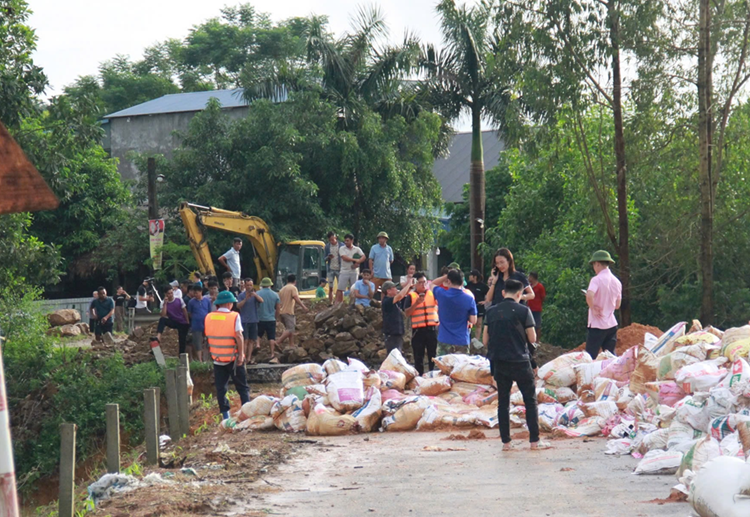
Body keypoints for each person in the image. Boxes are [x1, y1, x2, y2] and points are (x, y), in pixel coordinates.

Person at [483, 279, 549, 451]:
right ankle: (534, 441)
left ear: (503, 293)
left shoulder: (490, 312)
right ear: (520, 294)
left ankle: (506, 443)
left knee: (503, 402)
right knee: (529, 400)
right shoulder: (524, 311)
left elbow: (485, 340)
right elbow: (533, 338)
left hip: (499, 362)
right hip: (520, 361)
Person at [205, 290, 250, 420]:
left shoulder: (209, 317)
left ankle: (225, 416)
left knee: (221, 389)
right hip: (233, 359)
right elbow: (239, 336)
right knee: (242, 387)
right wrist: (241, 354)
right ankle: (246, 414)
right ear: (229, 303)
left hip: (217, 358)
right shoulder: (234, 316)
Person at [431, 269, 477, 356]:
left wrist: (446, 275)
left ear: (448, 281)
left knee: (443, 368)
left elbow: (432, 284)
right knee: (460, 368)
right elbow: (473, 320)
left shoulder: (441, 294)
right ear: (462, 282)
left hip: (444, 339)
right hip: (462, 340)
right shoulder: (469, 298)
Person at [586, 250, 622, 359]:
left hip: (597, 324)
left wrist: (593, 307)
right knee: (610, 356)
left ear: (597, 263)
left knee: (590, 356)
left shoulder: (596, 280)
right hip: (611, 324)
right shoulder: (617, 282)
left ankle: (588, 376)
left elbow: (589, 295)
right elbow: (617, 305)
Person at [404, 272, 439, 375]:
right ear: (415, 284)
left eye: (424, 282)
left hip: (432, 329)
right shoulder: (410, 296)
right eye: (420, 283)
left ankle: (433, 376)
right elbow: (407, 313)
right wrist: (416, 303)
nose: (423, 285)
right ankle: (419, 378)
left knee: (433, 356)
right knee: (418, 356)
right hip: (418, 331)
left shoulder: (433, 294)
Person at [156, 285, 190, 356]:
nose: (170, 295)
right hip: (173, 321)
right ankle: (158, 336)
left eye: (171, 293)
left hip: (182, 322)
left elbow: (184, 310)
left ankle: (181, 356)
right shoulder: (163, 303)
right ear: (165, 294)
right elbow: (163, 315)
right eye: (169, 293)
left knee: (182, 340)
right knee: (162, 320)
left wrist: (187, 321)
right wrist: (165, 304)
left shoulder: (179, 299)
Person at [277, 274, 309, 350]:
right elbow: (296, 298)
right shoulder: (293, 288)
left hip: (282, 311)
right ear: (295, 281)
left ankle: (291, 344)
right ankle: (277, 342)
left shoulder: (282, 289)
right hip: (288, 312)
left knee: (289, 329)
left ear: (287, 280)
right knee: (291, 329)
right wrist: (303, 306)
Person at [380, 280, 413, 352]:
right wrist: (409, 283)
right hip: (391, 334)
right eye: (394, 287)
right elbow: (400, 295)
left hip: (397, 333)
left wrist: (409, 287)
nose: (396, 289)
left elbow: (403, 295)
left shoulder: (395, 301)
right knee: (393, 355)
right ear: (388, 291)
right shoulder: (387, 301)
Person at [237, 278, 264, 365]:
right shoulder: (241, 295)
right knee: (245, 340)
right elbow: (238, 306)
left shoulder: (255, 295)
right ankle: (243, 357)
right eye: (247, 285)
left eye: (250, 285)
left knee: (252, 340)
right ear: (244, 285)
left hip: (254, 320)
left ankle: (249, 358)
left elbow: (261, 301)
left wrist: (255, 295)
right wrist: (246, 299)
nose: (249, 287)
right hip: (244, 321)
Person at [256, 277, 281, 363]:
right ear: (270, 285)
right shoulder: (275, 295)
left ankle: (257, 344)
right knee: (271, 337)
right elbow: (278, 308)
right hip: (271, 318)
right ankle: (272, 353)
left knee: (258, 334)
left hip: (260, 318)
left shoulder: (257, 293)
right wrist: (275, 317)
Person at [187, 283, 212, 362]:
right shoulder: (191, 302)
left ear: (201, 292)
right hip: (196, 325)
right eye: (194, 293)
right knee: (198, 343)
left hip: (206, 325)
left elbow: (209, 311)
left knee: (207, 343)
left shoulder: (207, 301)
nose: (195, 294)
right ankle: (200, 360)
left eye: (196, 292)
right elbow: (189, 313)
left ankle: (206, 359)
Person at [338, 234, 366, 300]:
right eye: (345, 241)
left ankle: (352, 303)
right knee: (340, 289)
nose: (346, 242)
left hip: (354, 271)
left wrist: (358, 262)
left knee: (354, 289)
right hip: (344, 271)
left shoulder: (357, 249)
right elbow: (344, 257)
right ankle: (339, 304)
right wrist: (355, 260)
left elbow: (363, 256)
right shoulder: (342, 248)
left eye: (347, 240)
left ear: (352, 240)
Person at [467, 269, 489, 333]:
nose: (469, 277)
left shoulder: (482, 286)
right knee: (469, 323)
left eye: (470, 275)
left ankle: (477, 339)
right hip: (470, 305)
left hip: (479, 306)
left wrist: (485, 301)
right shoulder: (468, 285)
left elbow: (490, 293)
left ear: (475, 277)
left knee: (479, 324)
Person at [325, 231, 344, 304]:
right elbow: (324, 258)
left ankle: (341, 302)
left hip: (339, 269)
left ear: (335, 237)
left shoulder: (341, 245)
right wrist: (328, 257)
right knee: (330, 287)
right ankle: (331, 302)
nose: (332, 241)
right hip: (330, 269)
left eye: (333, 239)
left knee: (341, 287)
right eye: (330, 240)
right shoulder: (327, 247)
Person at [528, 272, 546, 340]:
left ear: (533, 277)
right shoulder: (529, 286)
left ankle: (537, 341)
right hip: (530, 308)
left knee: (537, 325)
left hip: (537, 308)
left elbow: (543, 297)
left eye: (529, 277)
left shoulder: (540, 286)